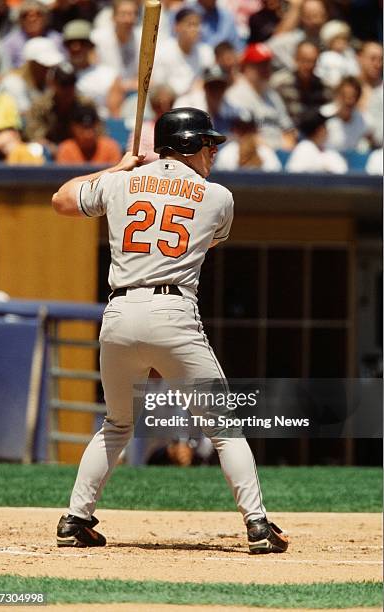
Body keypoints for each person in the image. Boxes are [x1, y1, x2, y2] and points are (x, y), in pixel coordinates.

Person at [52, 107, 289, 555]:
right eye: (206, 144)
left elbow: (61, 199)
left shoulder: (121, 181)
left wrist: (119, 169)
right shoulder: (218, 196)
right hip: (173, 312)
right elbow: (207, 240)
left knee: (117, 424)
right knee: (223, 427)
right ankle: (257, 524)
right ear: (184, 145)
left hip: (119, 314)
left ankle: (75, 519)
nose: (212, 152)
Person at [226, 42, 296, 149]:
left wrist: (286, 148)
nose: (266, 69)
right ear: (246, 67)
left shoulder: (272, 95)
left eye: (267, 64)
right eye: (260, 65)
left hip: (279, 152)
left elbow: (289, 131)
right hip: (253, 153)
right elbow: (245, 135)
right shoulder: (236, 95)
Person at [25, 62, 94, 158]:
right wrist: (53, 148)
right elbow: (34, 136)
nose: (68, 89)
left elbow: (98, 133)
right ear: (53, 84)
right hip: (49, 154)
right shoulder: (41, 106)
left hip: (79, 152)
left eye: (71, 83)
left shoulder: (86, 104)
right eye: (64, 84)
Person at [152, 7, 214, 98]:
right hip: (170, 103)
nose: (195, 29)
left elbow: (210, 81)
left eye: (197, 25)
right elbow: (158, 86)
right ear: (177, 27)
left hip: (197, 103)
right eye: (191, 25)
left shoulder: (206, 52)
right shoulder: (163, 51)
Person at [62, 19, 118, 120]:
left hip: (99, 127)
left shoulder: (108, 76)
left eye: (82, 43)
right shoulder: (58, 74)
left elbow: (115, 117)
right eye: (71, 43)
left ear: (90, 46)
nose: (76, 47)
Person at [270, 40, 331, 128]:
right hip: (287, 132)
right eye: (304, 60)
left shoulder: (324, 87)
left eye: (312, 61)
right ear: (296, 59)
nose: (308, 65)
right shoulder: (279, 84)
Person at [0, 36, 64, 115]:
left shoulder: (47, 83)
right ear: (31, 63)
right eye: (43, 65)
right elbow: (27, 116)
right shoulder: (12, 84)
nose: (48, 69)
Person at [175, 65, 242, 135]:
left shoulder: (231, 107)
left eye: (220, 86)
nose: (216, 91)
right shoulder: (187, 104)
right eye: (212, 86)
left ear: (225, 88)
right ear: (205, 87)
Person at [92, 0, 141, 94]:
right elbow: (95, 72)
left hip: (136, 91)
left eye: (132, 14)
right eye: (123, 14)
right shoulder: (97, 39)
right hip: (106, 91)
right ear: (113, 17)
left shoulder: (143, 38)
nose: (128, 19)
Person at [2, 0, 62, 70]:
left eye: (38, 14)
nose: (32, 18)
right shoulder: (10, 44)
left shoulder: (57, 40)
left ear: (46, 18)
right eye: (25, 15)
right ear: (20, 20)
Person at [214, 111, 282, 171]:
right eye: (241, 129)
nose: (246, 134)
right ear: (234, 130)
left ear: (255, 130)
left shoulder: (266, 153)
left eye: (249, 129)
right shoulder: (227, 153)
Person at [56, 104, 122, 164]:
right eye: (83, 128)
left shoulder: (110, 148)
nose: (87, 134)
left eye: (91, 127)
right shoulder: (66, 149)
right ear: (73, 128)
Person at [323, 76, 369, 152]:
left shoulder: (363, 120)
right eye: (344, 96)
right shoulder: (323, 115)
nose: (348, 101)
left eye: (352, 97)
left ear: (358, 98)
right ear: (337, 95)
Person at [315, 20, 359, 88]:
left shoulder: (349, 55)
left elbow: (354, 72)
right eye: (338, 40)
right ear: (330, 42)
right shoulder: (325, 56)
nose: (342, 43)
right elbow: (319, 73)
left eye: (344, 40)